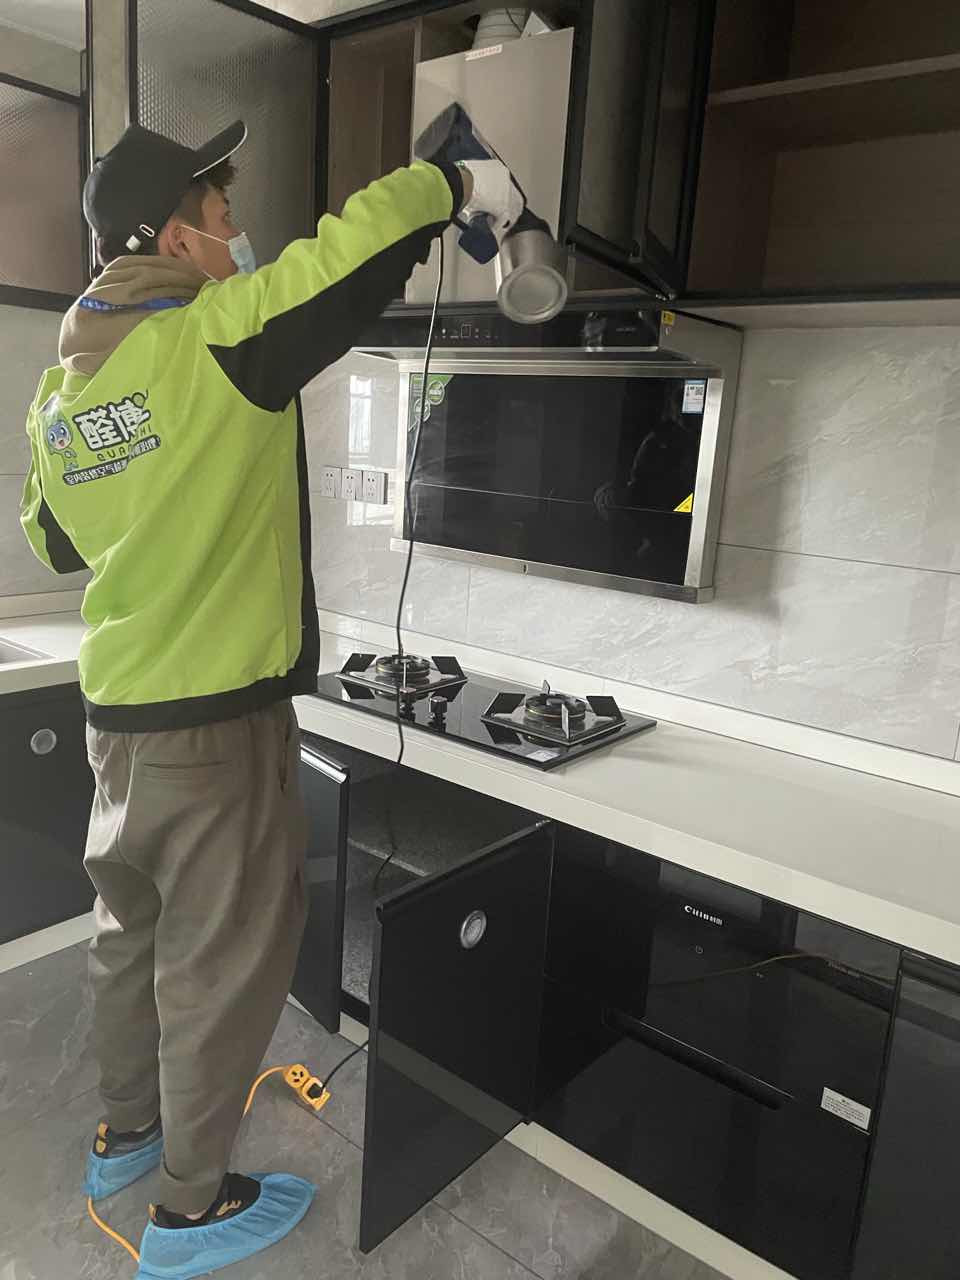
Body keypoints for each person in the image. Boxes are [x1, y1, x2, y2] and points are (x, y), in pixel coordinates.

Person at [19, 118, 519, 1277]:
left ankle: (128, 1138)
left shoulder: (63, 391)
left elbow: (52, 539)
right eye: (223, 213)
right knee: (221, 961)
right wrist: (451, 181)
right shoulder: (212, 338)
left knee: (130, 938)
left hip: (119, 723)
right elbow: (343, 259)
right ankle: (191, 1209)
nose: (238, 233)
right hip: (215, 725)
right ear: (173, 237)